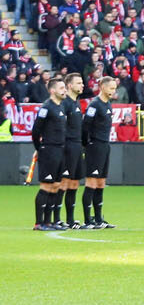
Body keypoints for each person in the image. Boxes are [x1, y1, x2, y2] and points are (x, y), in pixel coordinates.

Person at [81, 76, 118, 229]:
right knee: (92, 182)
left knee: (101, 182)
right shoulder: (94, 105)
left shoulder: (108, 105)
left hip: (105, 146)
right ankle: (87, 220)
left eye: (115, 88)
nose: (113, 91)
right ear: (102, 87)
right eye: (111, 88)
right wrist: (87, 145)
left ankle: (98, 219)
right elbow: (85, 127)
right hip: (95, 146)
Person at [32, 77, 67, 231]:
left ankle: (49, 221)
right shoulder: (46, 107)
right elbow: (36, 130)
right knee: (46, 186)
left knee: (56, 186)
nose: (64, 90)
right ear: (52, 91)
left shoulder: (60, 107)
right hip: (49, 150)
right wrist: (40, 148)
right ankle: (39, 223)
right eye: (61, 88)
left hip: (60, 150)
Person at [60, 73, 85, 228]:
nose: (82, 85)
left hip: (77, 146)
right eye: (78, 83)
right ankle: (56, 218)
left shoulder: (77, 103)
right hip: (67, 147)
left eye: (82, 82)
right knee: (63, 183)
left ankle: (70, 219)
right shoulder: (65, 103)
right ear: (69, 85)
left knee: (74, 184)